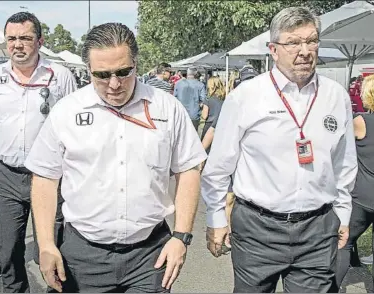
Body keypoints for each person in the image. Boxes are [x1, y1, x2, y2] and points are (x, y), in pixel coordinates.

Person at [24, 22, 207, 293]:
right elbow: (45, 179)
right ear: (88, 70)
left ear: (136, 63)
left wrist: (181, 236)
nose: (114, 84)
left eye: (123, 72)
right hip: (83, 257)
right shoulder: (65, 112)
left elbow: (189, 168)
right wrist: (47, 245)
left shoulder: (167, 108)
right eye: (102, 74)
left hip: (149, 255)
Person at [201, 7, 357, 293]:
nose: (305, 50)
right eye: (293, 43)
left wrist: (342, 214)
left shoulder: (336, 96)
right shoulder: (245, 97)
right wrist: (216, 218)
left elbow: (344, 163)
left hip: (318, 229)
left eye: (312, 41)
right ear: (273, 49)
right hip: (257, 229)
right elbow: (218, 168)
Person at [0, 12, 77, 292]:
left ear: (39, 41)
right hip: (6, 177)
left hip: (50, 178)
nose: (17, 44)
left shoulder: (60, 76)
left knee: (50, 250)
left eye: (25, 38)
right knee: (9, 250)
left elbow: (76, 130)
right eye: (11, 38)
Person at [336, 74, 374, 287]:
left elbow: (339, 145)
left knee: (344, 242)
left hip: (362, 196)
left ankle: (332, 289)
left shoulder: (360, 122)